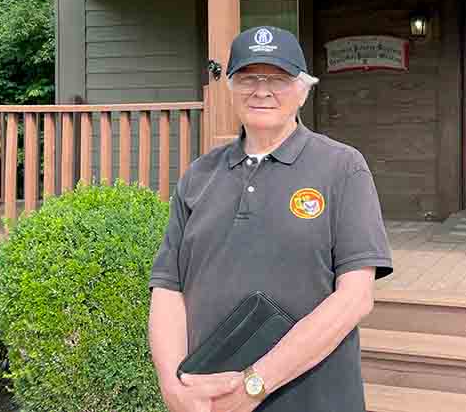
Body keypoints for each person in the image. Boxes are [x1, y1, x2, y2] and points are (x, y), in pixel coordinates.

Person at [147, 26, 393, 412]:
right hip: (208, 401)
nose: (261, 90)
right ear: (230, 87)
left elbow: (355, 298)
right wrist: (172, 384)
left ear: (302, 90)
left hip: (314, 399)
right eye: (247, 77)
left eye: (278, 78)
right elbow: (167, 289)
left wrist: (254, 385)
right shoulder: (198, 176)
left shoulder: (343, 168)